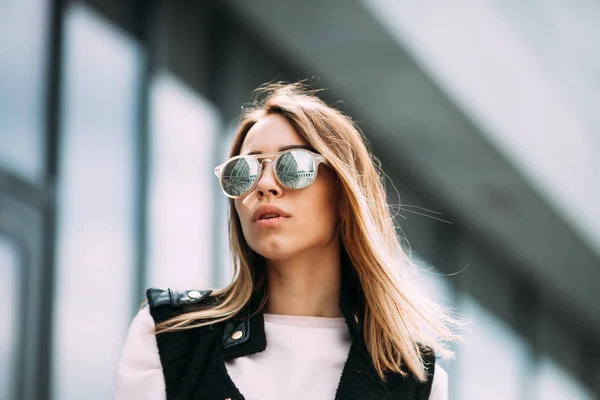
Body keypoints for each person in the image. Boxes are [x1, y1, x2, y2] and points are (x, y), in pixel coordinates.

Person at [114, 82, 460, 400]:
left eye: (293, 165)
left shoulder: (414, 377)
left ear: (344, 194)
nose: (264, 184)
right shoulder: (171, 335)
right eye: (243, 171)